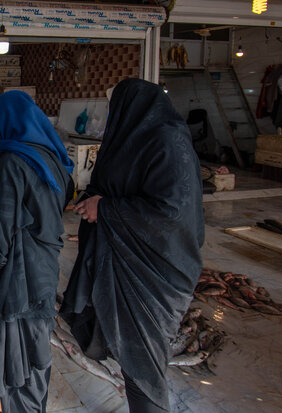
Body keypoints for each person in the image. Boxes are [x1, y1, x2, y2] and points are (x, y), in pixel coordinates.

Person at [59, 78, 205, 413]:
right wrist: (90, 198)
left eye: (115, 108)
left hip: (154, 270)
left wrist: (105, 209)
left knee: (143, 362)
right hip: (123, 258)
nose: (112, 116)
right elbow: (111, 183)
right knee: (131, 352)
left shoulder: (167, 140)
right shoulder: (131, 139)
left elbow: (171, 212)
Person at [0, 90, 74, 413]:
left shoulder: (10, 164)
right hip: (43, 276)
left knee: (13, 370)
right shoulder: (50, 158)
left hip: (14, 287)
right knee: (35, 359)